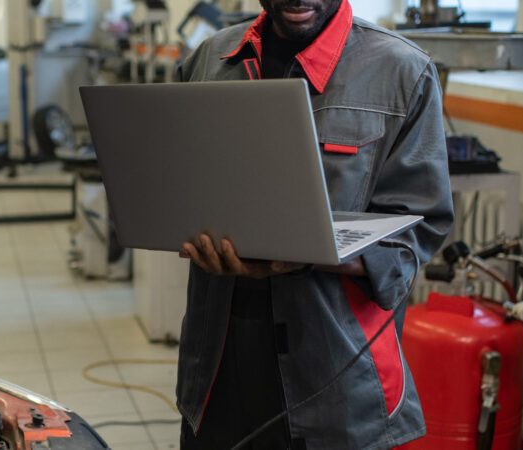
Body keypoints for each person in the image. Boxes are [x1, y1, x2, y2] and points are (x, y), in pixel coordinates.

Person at [175, 0, 455, 448]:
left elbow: (416, 231)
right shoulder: (210, 59)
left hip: (336, 376)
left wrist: (307, 253)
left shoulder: (402, 71)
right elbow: (181, 185)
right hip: (215, 369)